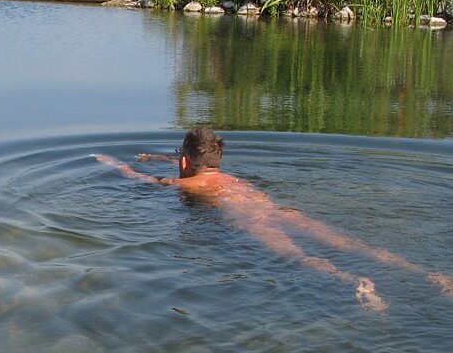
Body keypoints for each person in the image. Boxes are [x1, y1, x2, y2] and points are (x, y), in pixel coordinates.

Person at [94, 128, 453, 312]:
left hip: (253, 222)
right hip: (279, 211)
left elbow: (137, 178)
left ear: (184, 163)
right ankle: (430, 276)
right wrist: (157, 157)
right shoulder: (226, 177)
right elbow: (192, 163)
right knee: (355, 245)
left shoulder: (180, 182)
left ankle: (355, 282)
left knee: (300, 257)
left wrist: (115, 164)